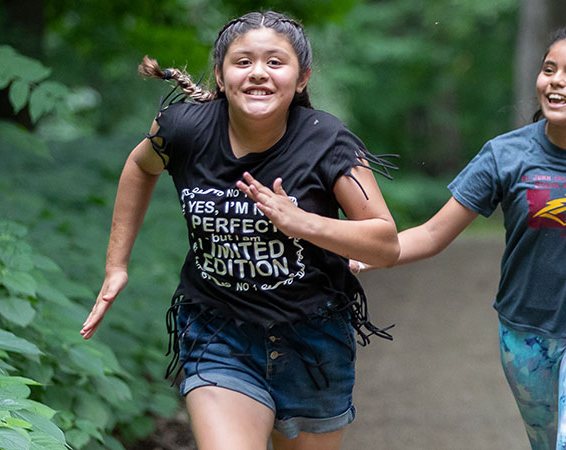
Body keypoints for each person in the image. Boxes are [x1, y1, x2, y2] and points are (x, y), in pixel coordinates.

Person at [77, 11, 397, 450]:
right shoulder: (185, 129)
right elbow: (139, 166)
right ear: (221, 76)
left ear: (301, 78)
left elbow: (385, 244)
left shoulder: (327, 141)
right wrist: (116, 264)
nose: (258, 73)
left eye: (275, 62)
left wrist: (300, 221)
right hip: (217, 331)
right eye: (242, 62)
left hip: (314, 339)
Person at [352, 28, 566, 450]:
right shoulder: (506, 154)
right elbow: (432, 233)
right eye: (548, 70)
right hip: (524, 332)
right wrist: (369, 256)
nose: (556, 80)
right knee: (546, 442)